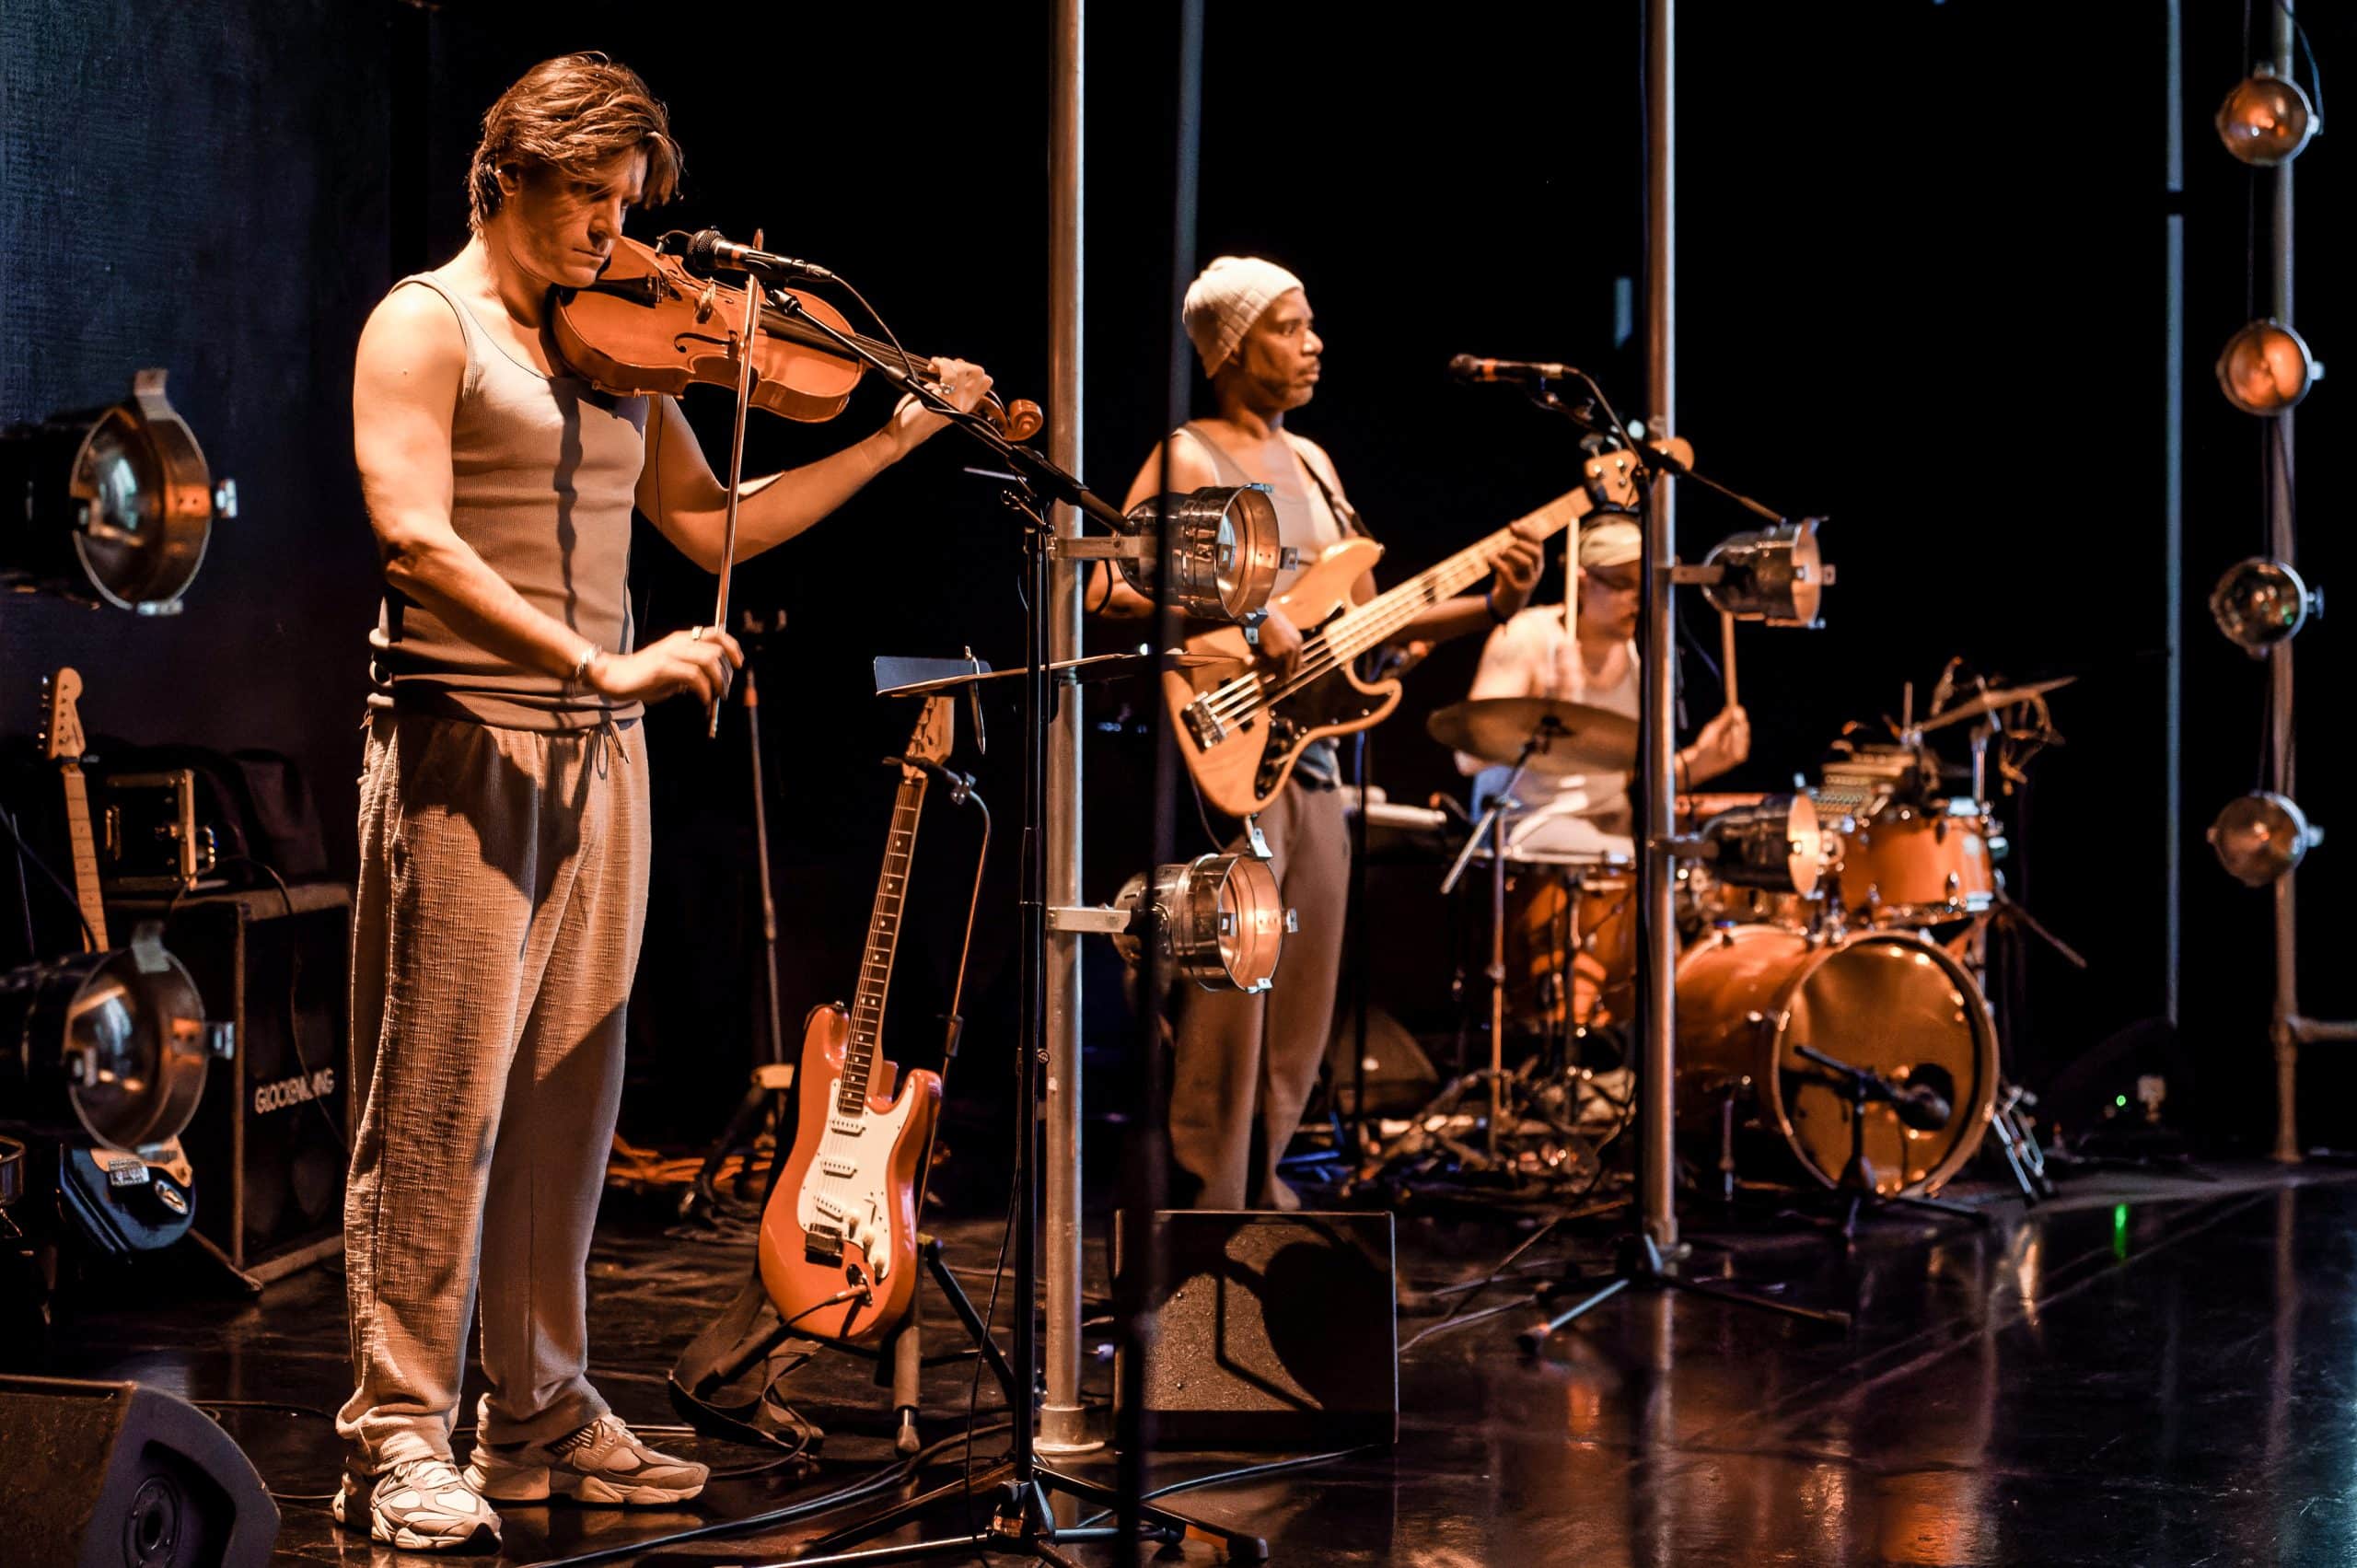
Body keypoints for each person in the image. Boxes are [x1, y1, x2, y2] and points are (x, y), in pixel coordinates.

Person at [338, 53, 993, 1551]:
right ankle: (395, 1431)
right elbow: (413, 538)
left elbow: (705, 522)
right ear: (507, 173)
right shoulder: (425, 323)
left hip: (604, 744)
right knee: (439, 1100)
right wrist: (599, 660)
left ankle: (538, 1408)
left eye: (628, 204)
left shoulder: (610, 346)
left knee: (572, 1093)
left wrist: (895, 435)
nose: (612, 232)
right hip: (473, 734)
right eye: (590, 197)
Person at [1095, 255, 1543, 1211]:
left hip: (1316, 759)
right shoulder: (1190, 458)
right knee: (1227, 1001)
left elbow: (1367, 625)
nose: (1314, 344)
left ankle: (1264, 1199)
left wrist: (1492, 609)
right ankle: (1205, 1213)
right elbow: (1110, 588)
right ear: (1230, 345)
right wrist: (1248, 614)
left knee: (1300, 1001)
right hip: (1230, 751)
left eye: (1310, 325)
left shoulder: (1314, 465)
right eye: (1288, 326)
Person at [1457, 517, 1749, 860]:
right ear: (1582, 581)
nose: (1639, 599)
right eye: (1623, 583)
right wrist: (1542, 716)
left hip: (1610, 830)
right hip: (1528, 828)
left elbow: (1620, 779)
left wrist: (1700, 760)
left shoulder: (1640, 663)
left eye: (1646, 585)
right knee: (1650, 865)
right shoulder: (1529, 637)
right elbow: (1467, 757)